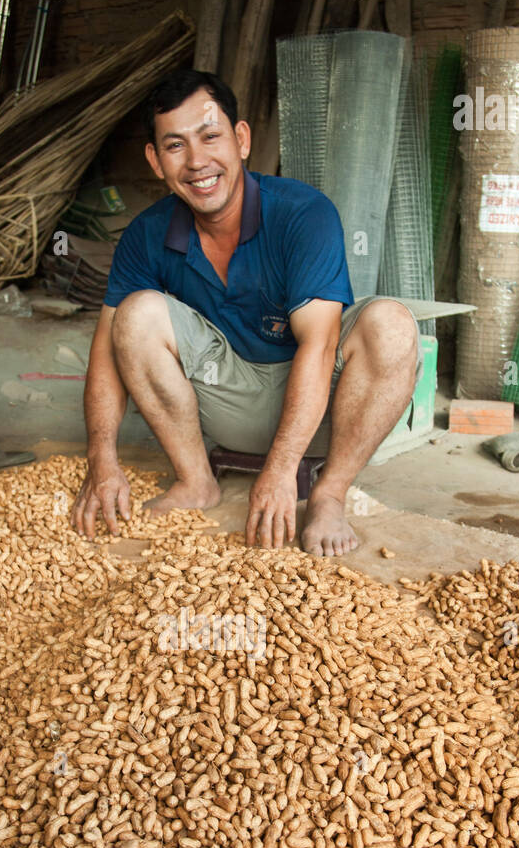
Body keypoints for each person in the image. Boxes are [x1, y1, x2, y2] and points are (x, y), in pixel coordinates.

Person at [70, 68, 422, 556]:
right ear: (155, 161)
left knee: (392, 324)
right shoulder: (145, 235)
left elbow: (319, 347)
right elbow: (106, 355)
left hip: (324, 412)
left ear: (241, 139)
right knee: (133, 315)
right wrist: (101, 460)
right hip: (228, 398)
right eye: (175, 146)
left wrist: (280, 471)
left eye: (210, 136)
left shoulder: (303, 213)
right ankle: (197, 482)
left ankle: (329, 495)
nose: (197, 162)